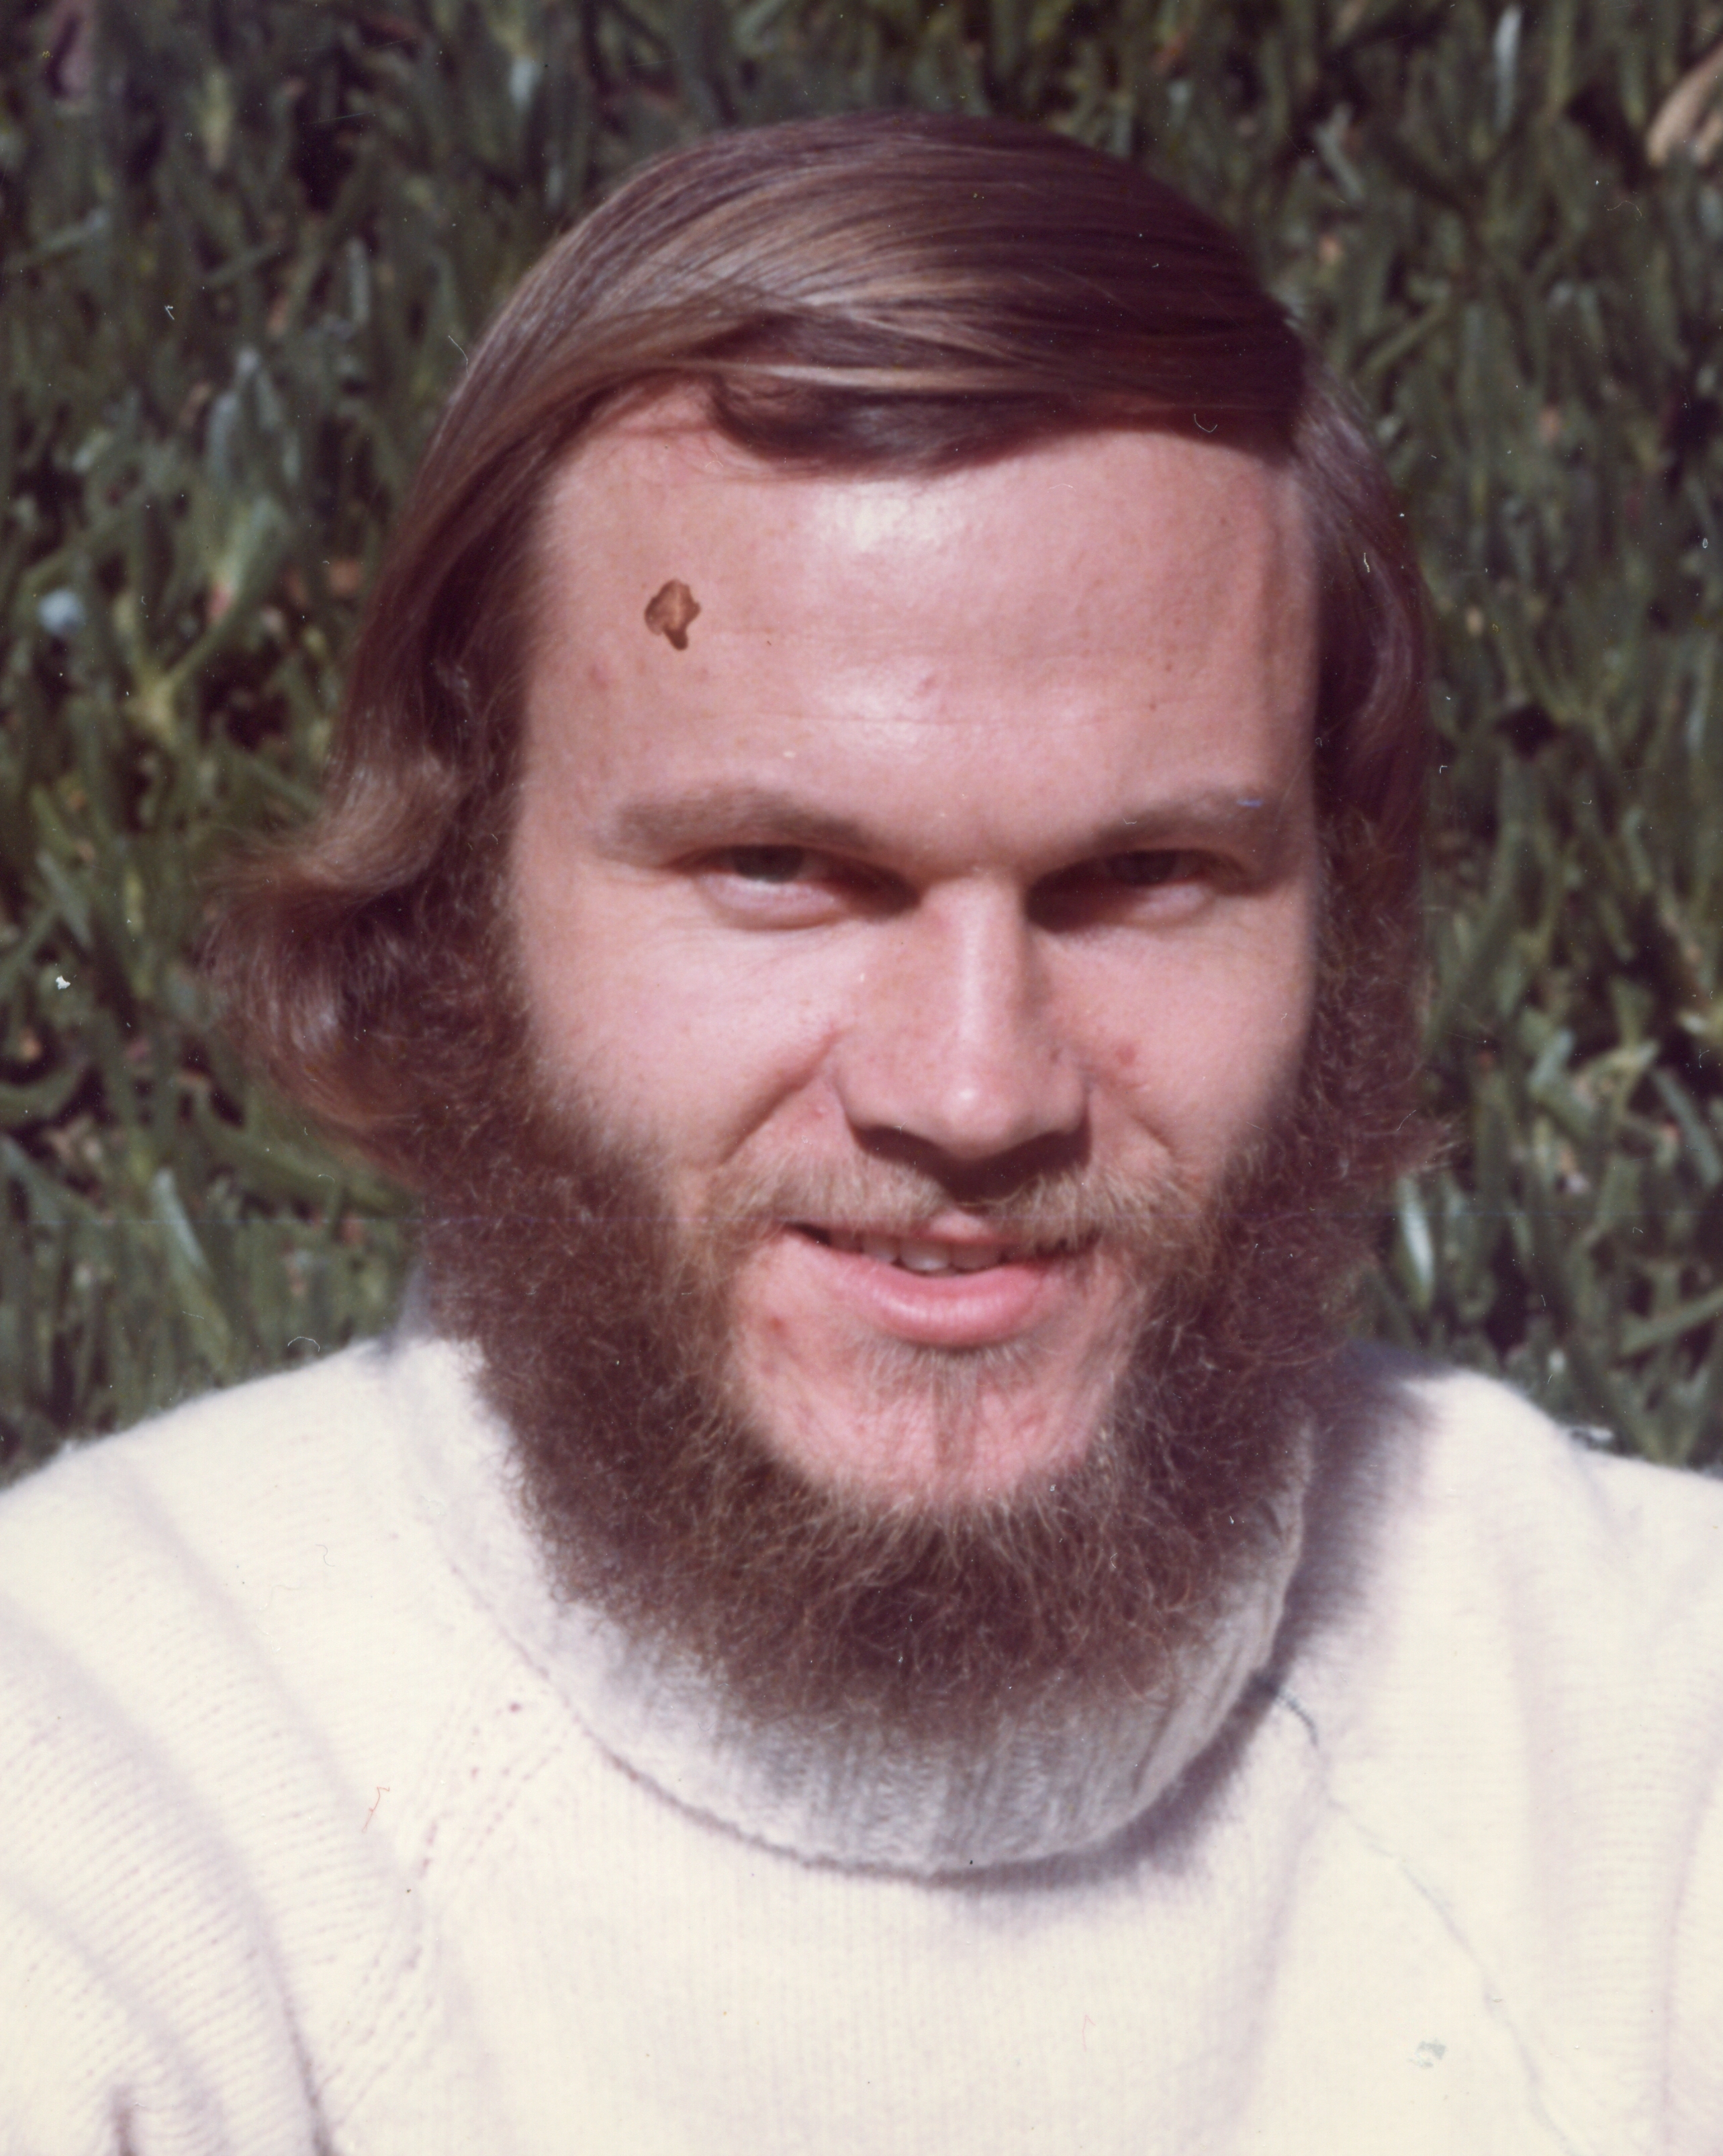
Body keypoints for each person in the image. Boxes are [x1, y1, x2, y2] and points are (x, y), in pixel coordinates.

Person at [2, 110, 1718, 2156]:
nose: (974, 1090)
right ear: (461, 903)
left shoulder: (1657, 1758)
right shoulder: (101, 1792)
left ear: (1339, 923)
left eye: (1143, 874)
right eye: (783, 866)